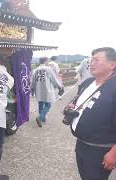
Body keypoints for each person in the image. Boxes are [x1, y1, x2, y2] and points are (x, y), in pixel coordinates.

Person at [65, 47, 116, 180]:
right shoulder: (87, 83)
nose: (91, 63)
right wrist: (70, 107)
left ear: (113, 64)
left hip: (101, 149)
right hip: (81, 143)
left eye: (97, 60)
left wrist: (114, 153)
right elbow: (77, 103)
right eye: (91, 60)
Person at [31, 57, 63, 127]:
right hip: (47, 89)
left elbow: (32, 81)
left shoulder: (35, 70)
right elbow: (53, 79)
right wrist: (59, 86)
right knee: (48, 105)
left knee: (40, 103)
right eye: (47, 61)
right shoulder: (48, 69)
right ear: (45, 61)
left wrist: (32, 88)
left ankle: (42, 118)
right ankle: (40, 117)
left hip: (38, 90)